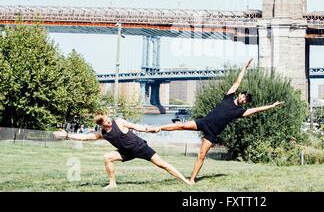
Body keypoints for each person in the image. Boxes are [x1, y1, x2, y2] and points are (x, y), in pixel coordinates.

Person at [153, 58, 284, 183]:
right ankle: (158, 128)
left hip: (212, 133)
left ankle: (192, 180)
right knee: (181, 126)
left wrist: (271, 106)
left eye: (245, 100)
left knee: (202, 155)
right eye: (243, 96)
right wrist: (244, 67)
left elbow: (257, 109)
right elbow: (237, 82)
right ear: (240, 94)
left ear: (245, 103)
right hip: (204, 122)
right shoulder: (228, 97)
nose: (243, 99)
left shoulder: (241, 112)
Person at [53, 114, 193, 188]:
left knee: (163, 164)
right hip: (126, 152)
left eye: (108, 119)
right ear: (101, 125)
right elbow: (84, 137)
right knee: (107, 157)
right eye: (105, 122)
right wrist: (67, 135)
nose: (109, 122)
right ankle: (112, 183)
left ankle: (186, 182)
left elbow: (138, 127)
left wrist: (152, 129)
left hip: (141, 148)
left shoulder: (119, 122)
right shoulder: (102, 133)